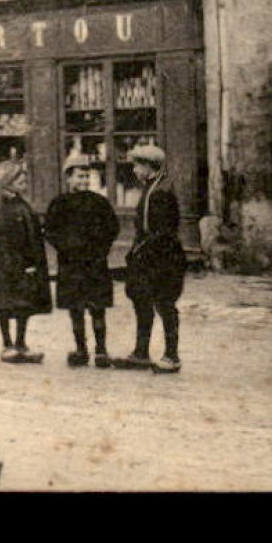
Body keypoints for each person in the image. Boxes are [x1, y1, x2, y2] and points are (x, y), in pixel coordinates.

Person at [114, 144, 187, 374]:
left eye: (137, 165)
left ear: (148, 166)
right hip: (149, 255)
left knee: (165, 304)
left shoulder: (160, 192)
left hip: (163, 257)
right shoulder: (153, 187)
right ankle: (141, 352)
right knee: (142, 300)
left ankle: (171, 356)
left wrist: (140, 252)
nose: (134, 170)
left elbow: (162, 231)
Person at [44, 154, 121, 368]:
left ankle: (101, 351)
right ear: (68, 178)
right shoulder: (59, 204)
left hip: (95, 264)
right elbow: (50, 231)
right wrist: (66, 248)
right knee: (75, 309)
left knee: (98, 309)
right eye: (79, 176)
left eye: (87, 176)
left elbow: (112, 229)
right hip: (71, 265)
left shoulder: (99, 203)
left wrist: (101, 249)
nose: (84, 181)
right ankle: (81, 349)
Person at [0, 160, 52, 363]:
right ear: (8, 182)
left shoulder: (19, 203)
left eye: (24, 178)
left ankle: (21, 343)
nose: (24, 181)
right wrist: (17, 264)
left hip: (22, 264)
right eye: (20, 178)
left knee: (24, 305)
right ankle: (7, 344)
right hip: (6, 266)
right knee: (5, 304)